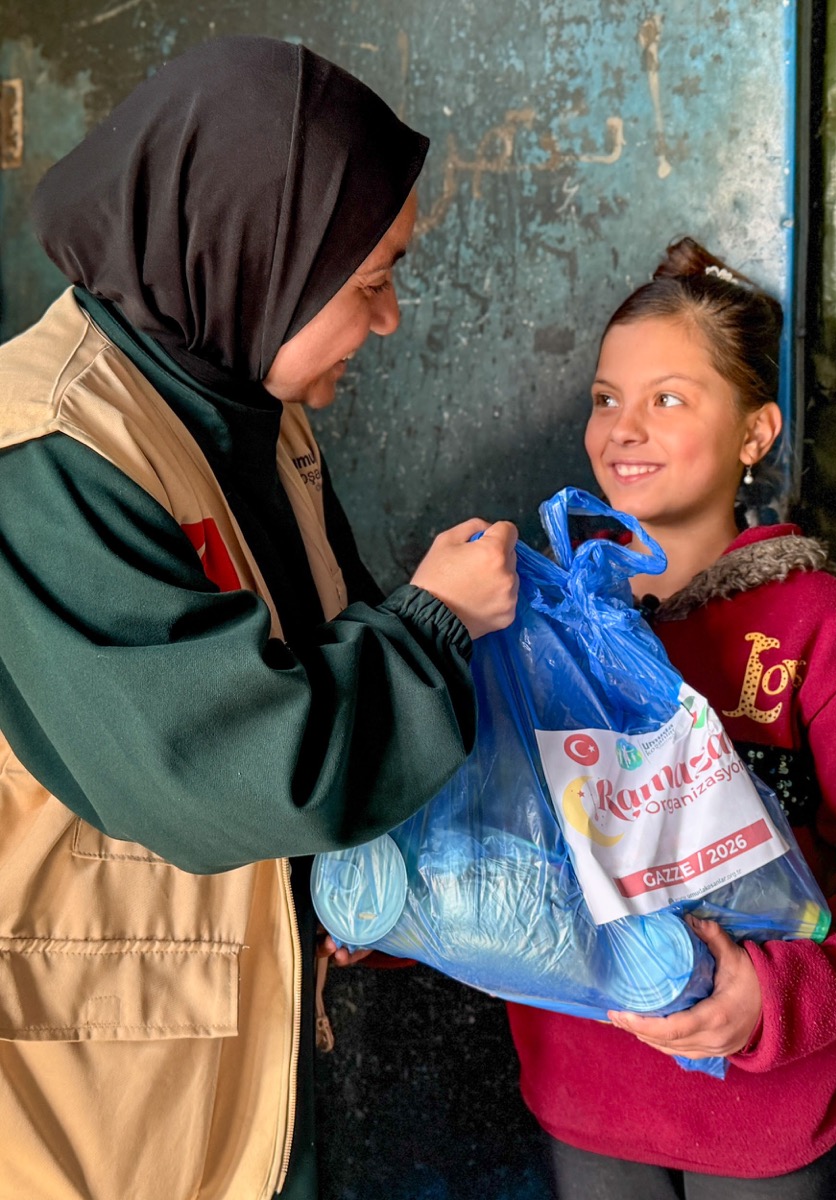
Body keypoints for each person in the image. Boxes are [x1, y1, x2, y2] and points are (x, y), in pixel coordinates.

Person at [0, 36, 517, 1200]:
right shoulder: (46, 457)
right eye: (370, 281)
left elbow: (324, 646)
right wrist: (436, 624)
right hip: (95, 1100)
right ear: (252, 256)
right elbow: (232, 767)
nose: (390, 318)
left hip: (243, 1052)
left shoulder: (250, 414)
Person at [506, 237, 836, 1199]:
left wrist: (779, 1000)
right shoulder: (536, 630)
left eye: (669, 399)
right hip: (587, 1099)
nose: (624, 429)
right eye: (605, 398)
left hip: (769, 1114)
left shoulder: (828, 635)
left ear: (757, 433)